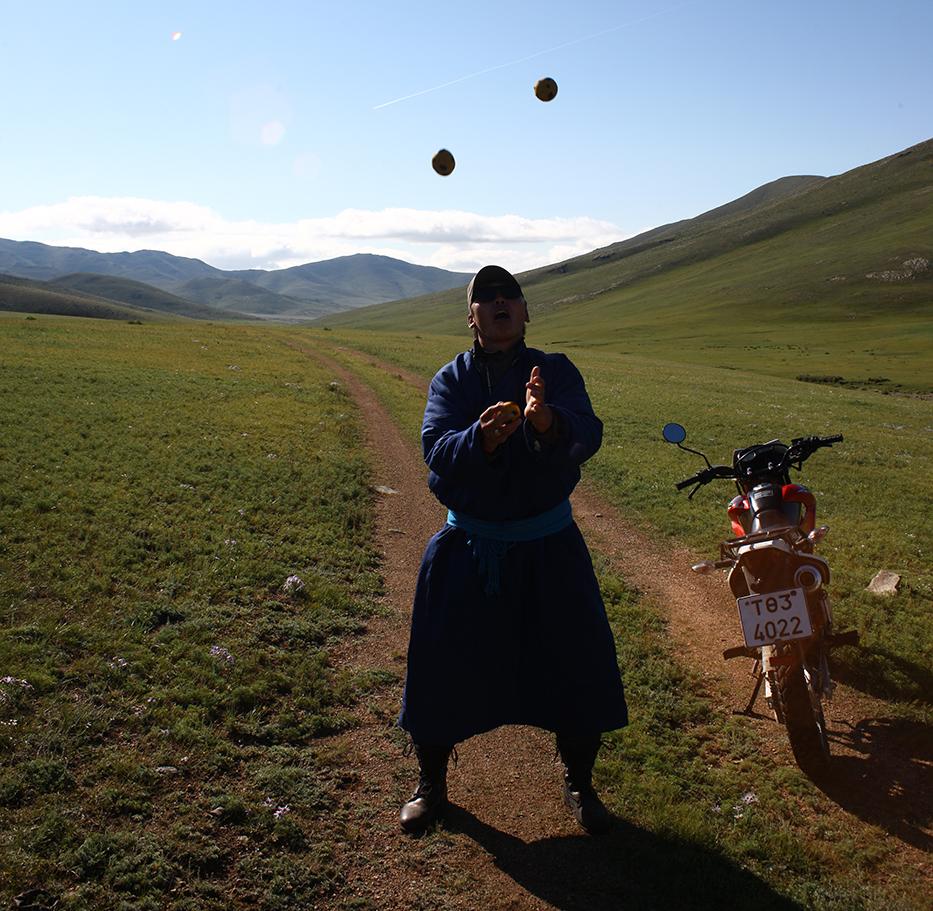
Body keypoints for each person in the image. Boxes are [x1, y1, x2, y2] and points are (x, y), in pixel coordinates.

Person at [398, 265, 628, 835]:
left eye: (511, 296)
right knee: (441, 665)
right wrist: (484, 437)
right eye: (487, 298)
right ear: (471, 315)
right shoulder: (450, 380)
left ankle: (580, 783)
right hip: (469, 546)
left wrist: (548, 421)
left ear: (526, 312)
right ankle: (432, 786)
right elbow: (436, 448)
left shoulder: (555, 372)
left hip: (548, 545)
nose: (500, 303)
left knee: (573, 662)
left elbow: (588, 433)